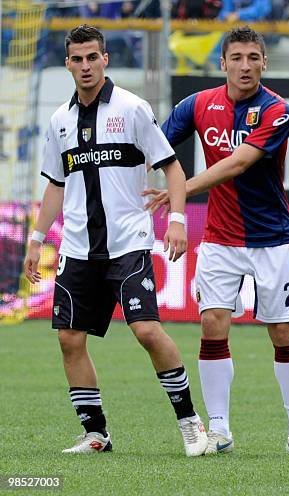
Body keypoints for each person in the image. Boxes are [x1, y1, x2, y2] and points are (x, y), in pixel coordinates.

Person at [23, 24, 208, 456]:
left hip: (128, 244)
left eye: (93, 57)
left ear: (105, 59)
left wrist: (177, 220)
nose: (85, 66)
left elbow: (173, 169)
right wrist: (36, 239)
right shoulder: (59, 120)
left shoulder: (133, 108)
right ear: (67, 63)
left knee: (146, 330)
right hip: (77, 248)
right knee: (69, 338)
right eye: (77, 59)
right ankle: (96, 434)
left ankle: (190, 423)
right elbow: (55, 184)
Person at [143, 26, 289, 457]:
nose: (245, 65)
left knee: (282, 331)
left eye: (253, 57)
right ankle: (218, 429)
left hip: (272, 238)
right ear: (222, 63)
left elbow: (237, 163)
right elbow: (155, 144)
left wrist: (179, 193)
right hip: (220, 238)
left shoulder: (277, 110)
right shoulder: (199, 104)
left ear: (264, 62)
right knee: (211, 323)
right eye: (236, 57)